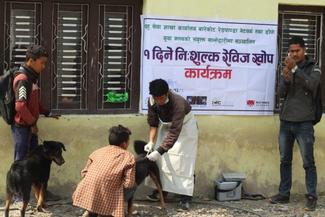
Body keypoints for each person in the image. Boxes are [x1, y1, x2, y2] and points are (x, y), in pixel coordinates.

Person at [269, 36, 321, 211]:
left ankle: (312, 196)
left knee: (308, 162)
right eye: (291, 51)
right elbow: (281, 93)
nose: (294, 54)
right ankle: (284, 194)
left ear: (304, 50)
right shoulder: (288, 68)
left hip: (304, 123)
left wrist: (296, 69)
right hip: (286, 122)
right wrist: (286, 78)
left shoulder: (314, 68)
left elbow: (312, 85)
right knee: (285, 160)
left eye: (297, 50)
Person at [11, 44, 60, 200]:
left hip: (29, 127)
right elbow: (20, 106)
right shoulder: (23, 79)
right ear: (31, 61)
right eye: (42, 62)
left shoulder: (31, 78)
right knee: (21, 162)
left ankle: (40, 193)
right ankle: (19, 196)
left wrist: (47, 112)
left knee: (36, 163)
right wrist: (32, 123)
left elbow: (33, 103)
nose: (44, 66)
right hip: (22, 128)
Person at [145, 79, 198, 210]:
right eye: (156, 98)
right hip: (166, 126)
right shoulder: (152, 101)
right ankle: (162, 192)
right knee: (162, 161)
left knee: (183, 162)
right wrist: (151, 141)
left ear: (167, 93)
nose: (159, 101)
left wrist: (159, 151)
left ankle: (185, 197)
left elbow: (174, 132)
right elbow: (153, 122)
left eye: (161, 98)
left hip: (184, 128)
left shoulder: (178, 103)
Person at [73, 125, 135, 217]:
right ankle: (106, 213)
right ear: (124, 144)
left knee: (99, 185)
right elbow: (128, 183)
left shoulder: (97, 151)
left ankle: (90, 211)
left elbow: (84, 173)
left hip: (85, 192)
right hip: (106, 196)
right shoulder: (128, 156)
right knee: (132, 187)